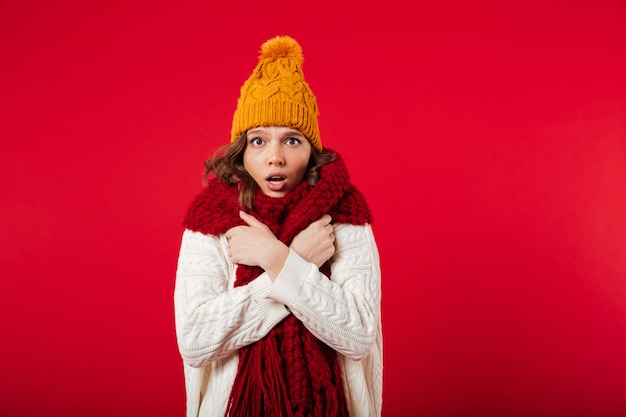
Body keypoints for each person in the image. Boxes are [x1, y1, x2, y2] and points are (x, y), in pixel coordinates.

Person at [174, 35, 382, 417]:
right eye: (258, 141)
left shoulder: (345, 217)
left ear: (311, 150)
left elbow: (358, 335)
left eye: (291, 140)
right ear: (242, 151)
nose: (275, 157)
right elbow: (196, 340)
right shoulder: (210, 222)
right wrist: (292, 262)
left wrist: (273, 256)